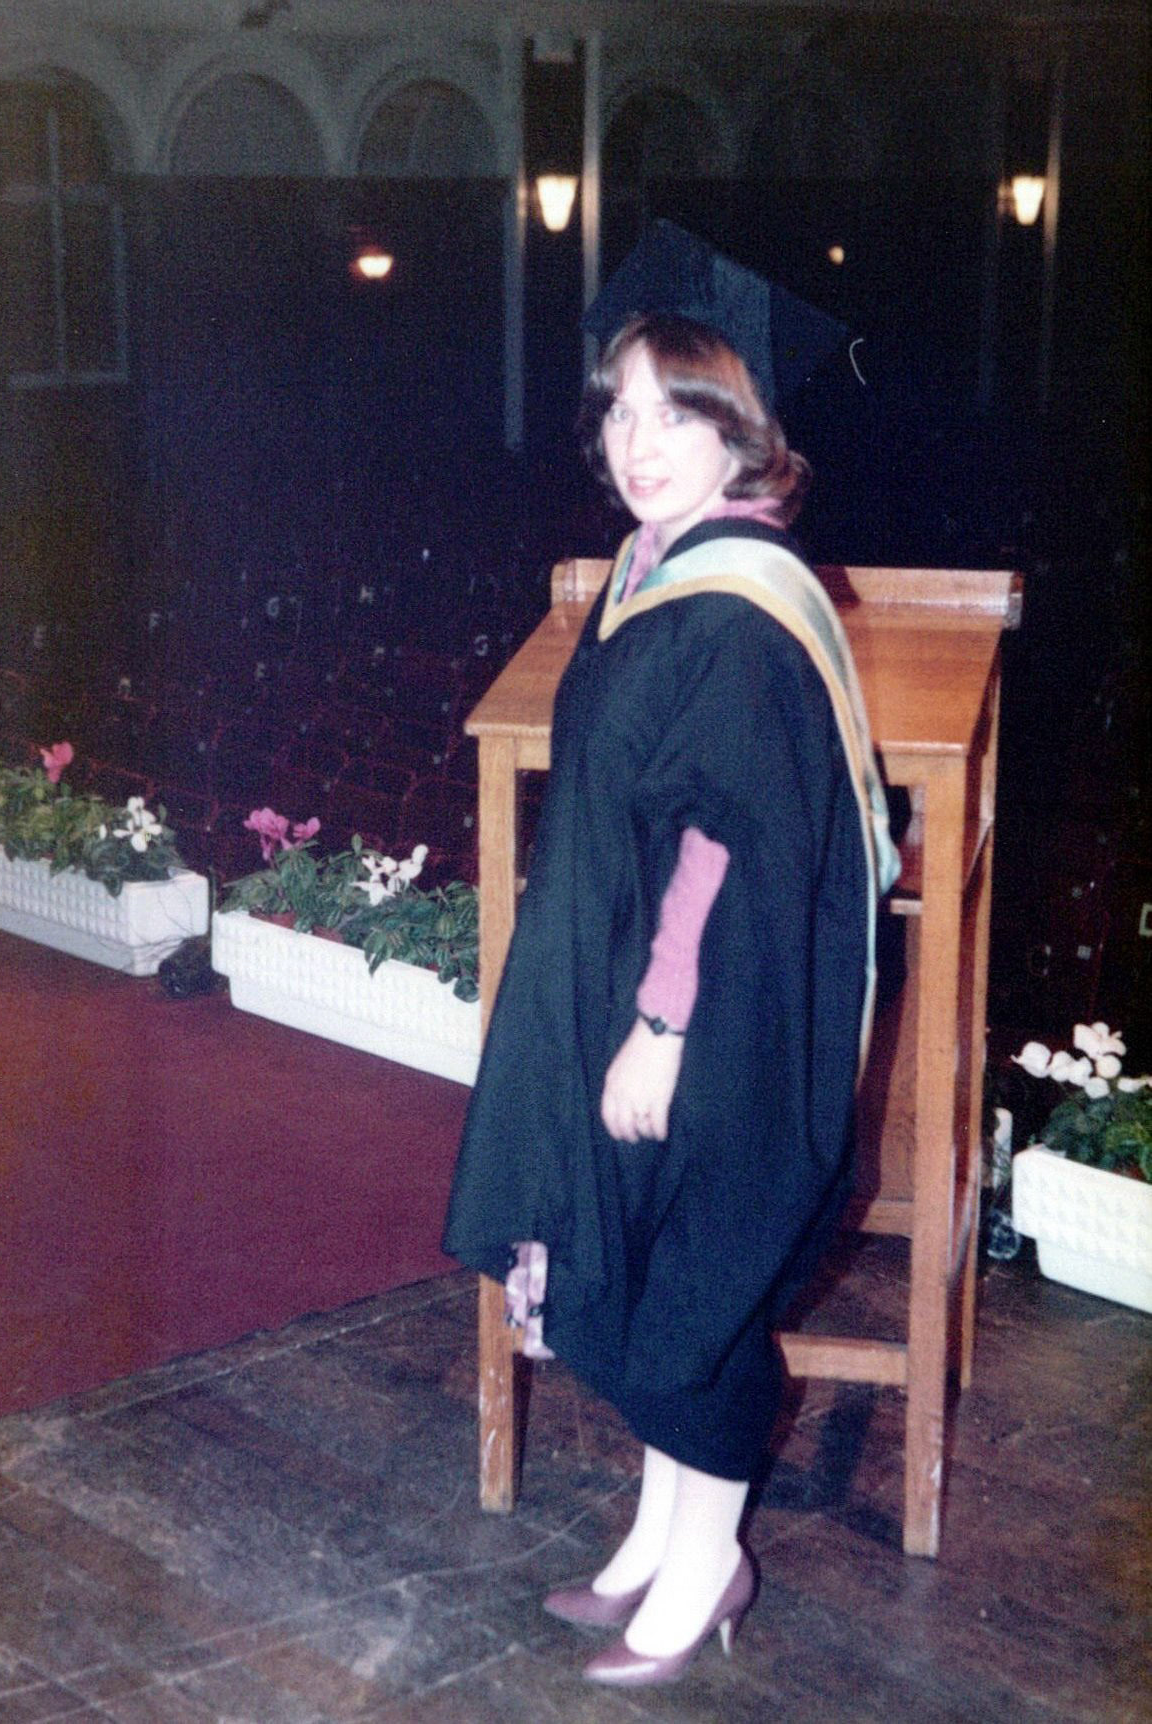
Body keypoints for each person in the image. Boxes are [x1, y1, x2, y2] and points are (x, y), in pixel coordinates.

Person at [443, 222, 898, 1688]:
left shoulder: (740, 607)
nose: (637, 444)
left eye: (676, 413)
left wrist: (659, 1023)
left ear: (740, 432)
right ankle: (660, 1530)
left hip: (704, 1010)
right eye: (620, 411)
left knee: (688, 1275)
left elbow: (725, 838)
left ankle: (711, 1560)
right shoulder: (657, 565)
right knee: (635, 1254)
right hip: (644, 983)